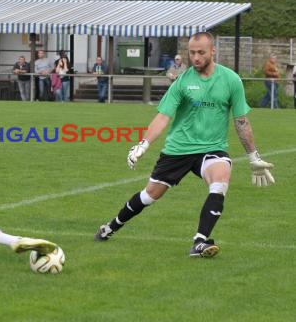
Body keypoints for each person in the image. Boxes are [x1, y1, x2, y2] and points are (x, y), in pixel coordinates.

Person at [94, 32, 275, 258]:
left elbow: (241, 121)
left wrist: (253, 156)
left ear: (212, 51)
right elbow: (163, 116)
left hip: (211, 148)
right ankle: (112, 226)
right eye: (192, 52)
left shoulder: (231, 80)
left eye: (201, 52)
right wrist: (143, 144)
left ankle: (199, 242)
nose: (196, 57)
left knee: (220, 180)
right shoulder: (182, 82)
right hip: (178, 150)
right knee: (150, 195)